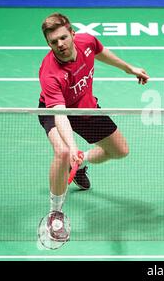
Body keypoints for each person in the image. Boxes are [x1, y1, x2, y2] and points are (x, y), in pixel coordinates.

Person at [38, 13, 149, 242]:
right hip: (55, 111)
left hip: (86, 107)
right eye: (53, 42)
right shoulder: (50, 73)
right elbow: (60, 115)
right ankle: (55, 213)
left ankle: (79, 166)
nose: (60, 44)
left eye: (63, 38)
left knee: (120, 151)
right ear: (48, 44)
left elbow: (100, 52)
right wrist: (72, 147)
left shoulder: (86, 41)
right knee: (62, 152)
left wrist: (129, 68)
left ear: (72, 34)